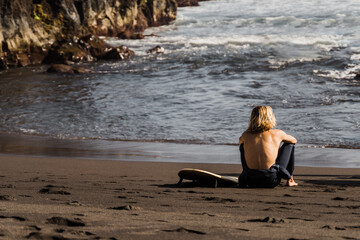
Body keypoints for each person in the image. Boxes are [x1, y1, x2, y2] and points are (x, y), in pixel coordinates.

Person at [238, 106, 298, 188]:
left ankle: (245, 172)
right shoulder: (277, 133)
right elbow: (294, 140)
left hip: (251, 180)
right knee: (289, 144)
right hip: (271, 180)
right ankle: (290, 179)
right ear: (270, 117)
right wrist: (278, 148)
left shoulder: (245, 135)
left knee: (242, 145)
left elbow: (240, 141)